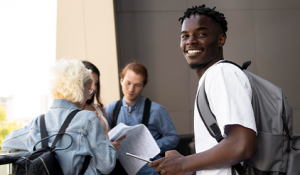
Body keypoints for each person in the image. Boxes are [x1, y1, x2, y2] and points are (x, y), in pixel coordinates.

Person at [149, 5, 257, 175]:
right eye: (185, 36)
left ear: (221, 40)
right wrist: (186, 165)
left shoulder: (221, 73)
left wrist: (184, 163)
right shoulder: (212, 77)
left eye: (201, 34)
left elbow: (242, 145)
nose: (190, 41)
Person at [2, 59, 117, 175]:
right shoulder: (89, 119)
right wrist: (105, 133)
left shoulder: (39, 122)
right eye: (89, 88)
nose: (89, 94)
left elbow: (7, 143)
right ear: (80, 88)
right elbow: (107, 165)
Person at [105, 62, 180, 175]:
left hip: (149, 172)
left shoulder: (156, 110)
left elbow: (173, 137)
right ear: (121, 80)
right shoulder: (111, 108)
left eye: (137, 85)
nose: (131, 89)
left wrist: (149, 146)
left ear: (144, 86)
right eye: (128, 83)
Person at [82, 60, 125, 152]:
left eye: (96, 83)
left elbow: (109, 135)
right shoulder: (72, 110)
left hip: (108, 160)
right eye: (90, 82)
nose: (94, 88)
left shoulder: (98, 108)